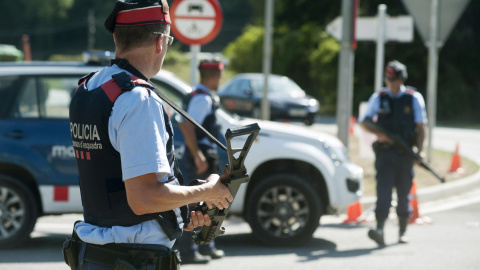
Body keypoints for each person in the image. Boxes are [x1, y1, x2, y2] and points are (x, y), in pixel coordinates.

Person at [66, 1, 233, 269]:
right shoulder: (137, 99)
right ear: (160, 42)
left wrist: (181, 209)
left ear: (115, 36)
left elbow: (115, 184)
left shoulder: (91, 87)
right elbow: (143, 198)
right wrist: (208, 191)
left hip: (97, 253)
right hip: (132, 258)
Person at [359, 60, 427, 246]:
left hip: (405, 155)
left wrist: (420, 152)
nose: (390, 83)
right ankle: (379, 228)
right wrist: (381, 135)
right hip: (385, 154)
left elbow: (421, 127)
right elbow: (364, 121)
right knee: (383, 192)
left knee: (404, 193)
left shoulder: (413, 98)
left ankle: (402, 231)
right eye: (388, 79)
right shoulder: (379, 97)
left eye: (393, 79)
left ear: (401, 79)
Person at [175, 59, 225, 264]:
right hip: (200, 154)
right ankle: (188, 250)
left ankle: (206, 246)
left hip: (202, 153)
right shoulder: (202, 99)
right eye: (219, 76)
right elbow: (186, 126)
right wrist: (198, 156)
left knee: (208, 202)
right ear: (213, 77)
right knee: (195, 203)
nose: (220, 80)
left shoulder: (198, 94)